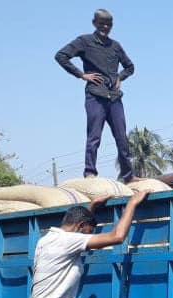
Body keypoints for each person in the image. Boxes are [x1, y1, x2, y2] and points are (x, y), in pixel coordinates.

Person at [55, 9, 140, 183]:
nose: (105, 27)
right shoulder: (84, 41)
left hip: (114, 97)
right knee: (94, 136)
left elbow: (130, 67)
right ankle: (90, 172)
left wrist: (119, 77)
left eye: (108, 24)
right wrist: (81, 75)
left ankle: (128, 176)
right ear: (94, 23)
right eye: (102, 23)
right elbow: (61, 56)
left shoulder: (115, 45)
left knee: (122, 138)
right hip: (95, 95)